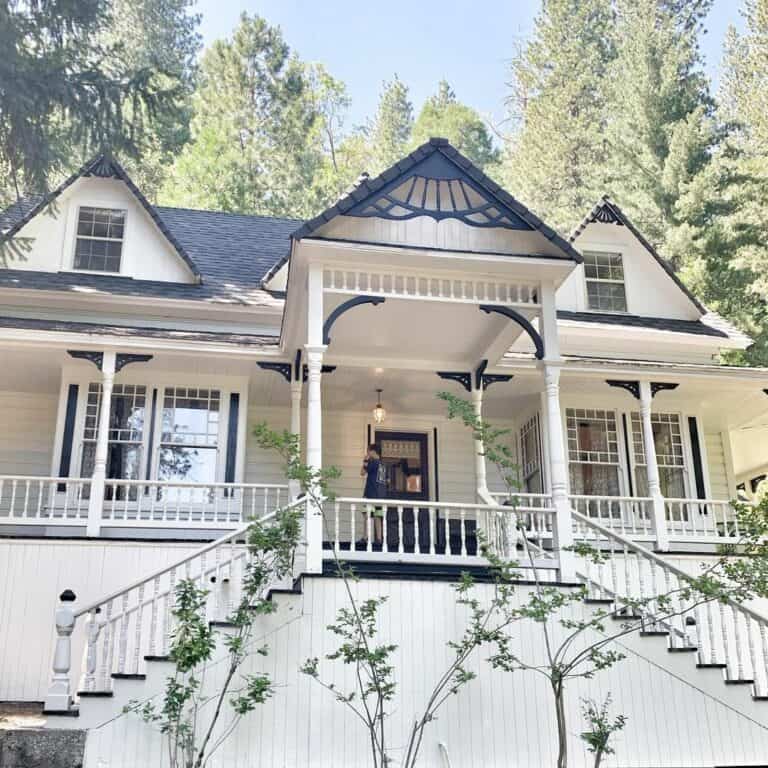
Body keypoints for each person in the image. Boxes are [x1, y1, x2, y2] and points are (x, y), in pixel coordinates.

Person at [360, 443, 387, 546]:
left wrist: (365, 461)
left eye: (368, 451)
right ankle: (379, 539)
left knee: (366, 515)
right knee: (377, 516)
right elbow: (387, 480)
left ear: (372, 451)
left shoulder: (373, 462)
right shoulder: (383, 465)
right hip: (381, 496)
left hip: (370, 494)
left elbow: (362, 473)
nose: (367, 453)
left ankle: (365, 537)